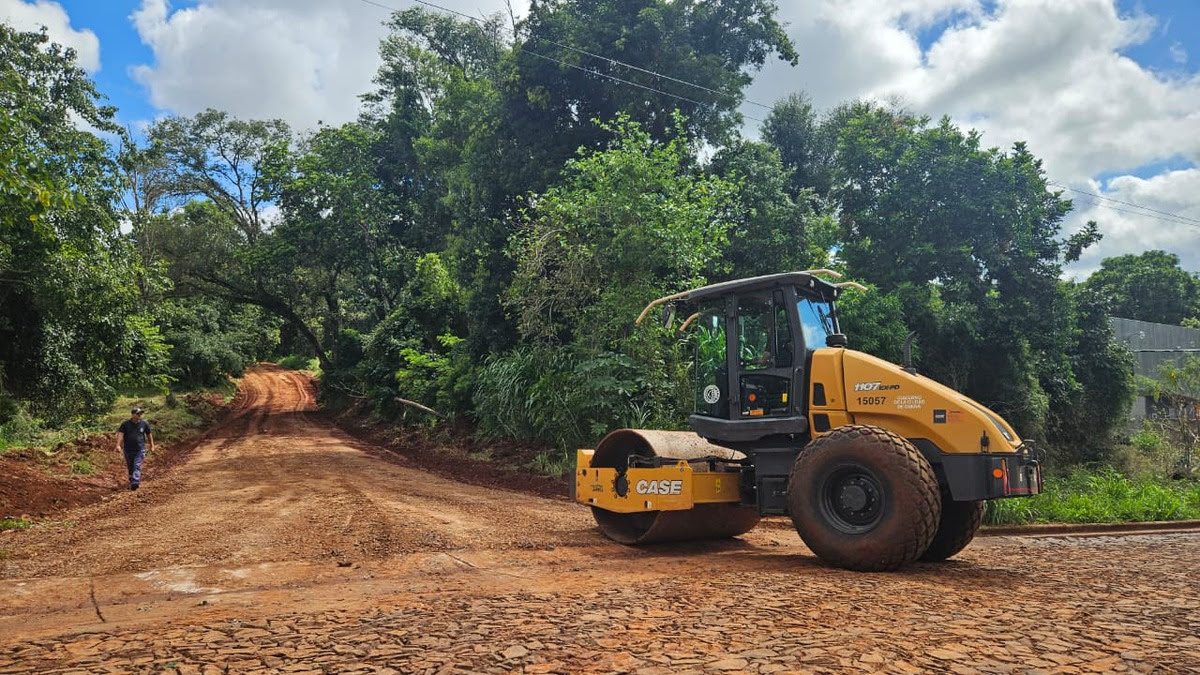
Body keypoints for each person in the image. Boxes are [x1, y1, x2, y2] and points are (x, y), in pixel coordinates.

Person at [115, 407, 154, 491]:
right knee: (130, 466)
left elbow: (149, 434)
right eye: (137, 414)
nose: (139, 415)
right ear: (132, 415)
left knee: (137, 465)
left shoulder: (144, 424)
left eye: (140, 414)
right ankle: (131, 480)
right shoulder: (125, 424)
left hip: (140, 449)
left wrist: (152, 445)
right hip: (128, 449)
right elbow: (120, 434)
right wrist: (118, 445)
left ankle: (135, 482)